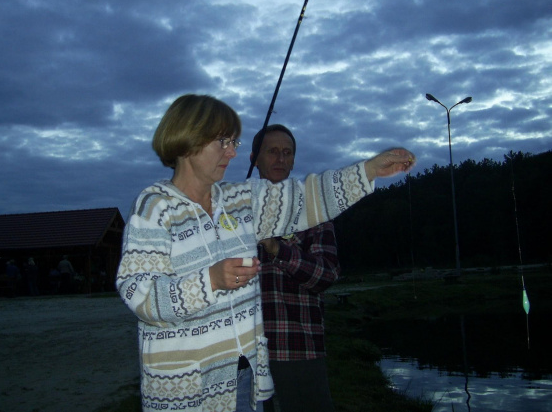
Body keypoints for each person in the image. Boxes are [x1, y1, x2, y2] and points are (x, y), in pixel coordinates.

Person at [116, 94, 415, 412]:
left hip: (243, 383)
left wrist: (368, 171)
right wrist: (210, 280)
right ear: (189, 141)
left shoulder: (240, 201)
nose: (232, 152)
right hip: (185, 392)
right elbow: (139, 293)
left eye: (234, 142)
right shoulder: (155, 207)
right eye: (223, 141)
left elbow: (308, 196)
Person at [251, 124, 338, 412]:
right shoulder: (232, 211)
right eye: (272, 151)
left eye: (287, 152)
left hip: (298, 350)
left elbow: (326, 275)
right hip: (243, 356)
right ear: (255, 158)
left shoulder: (315, 211)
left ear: (293, 161)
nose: (280, 158)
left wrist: (277, 249)